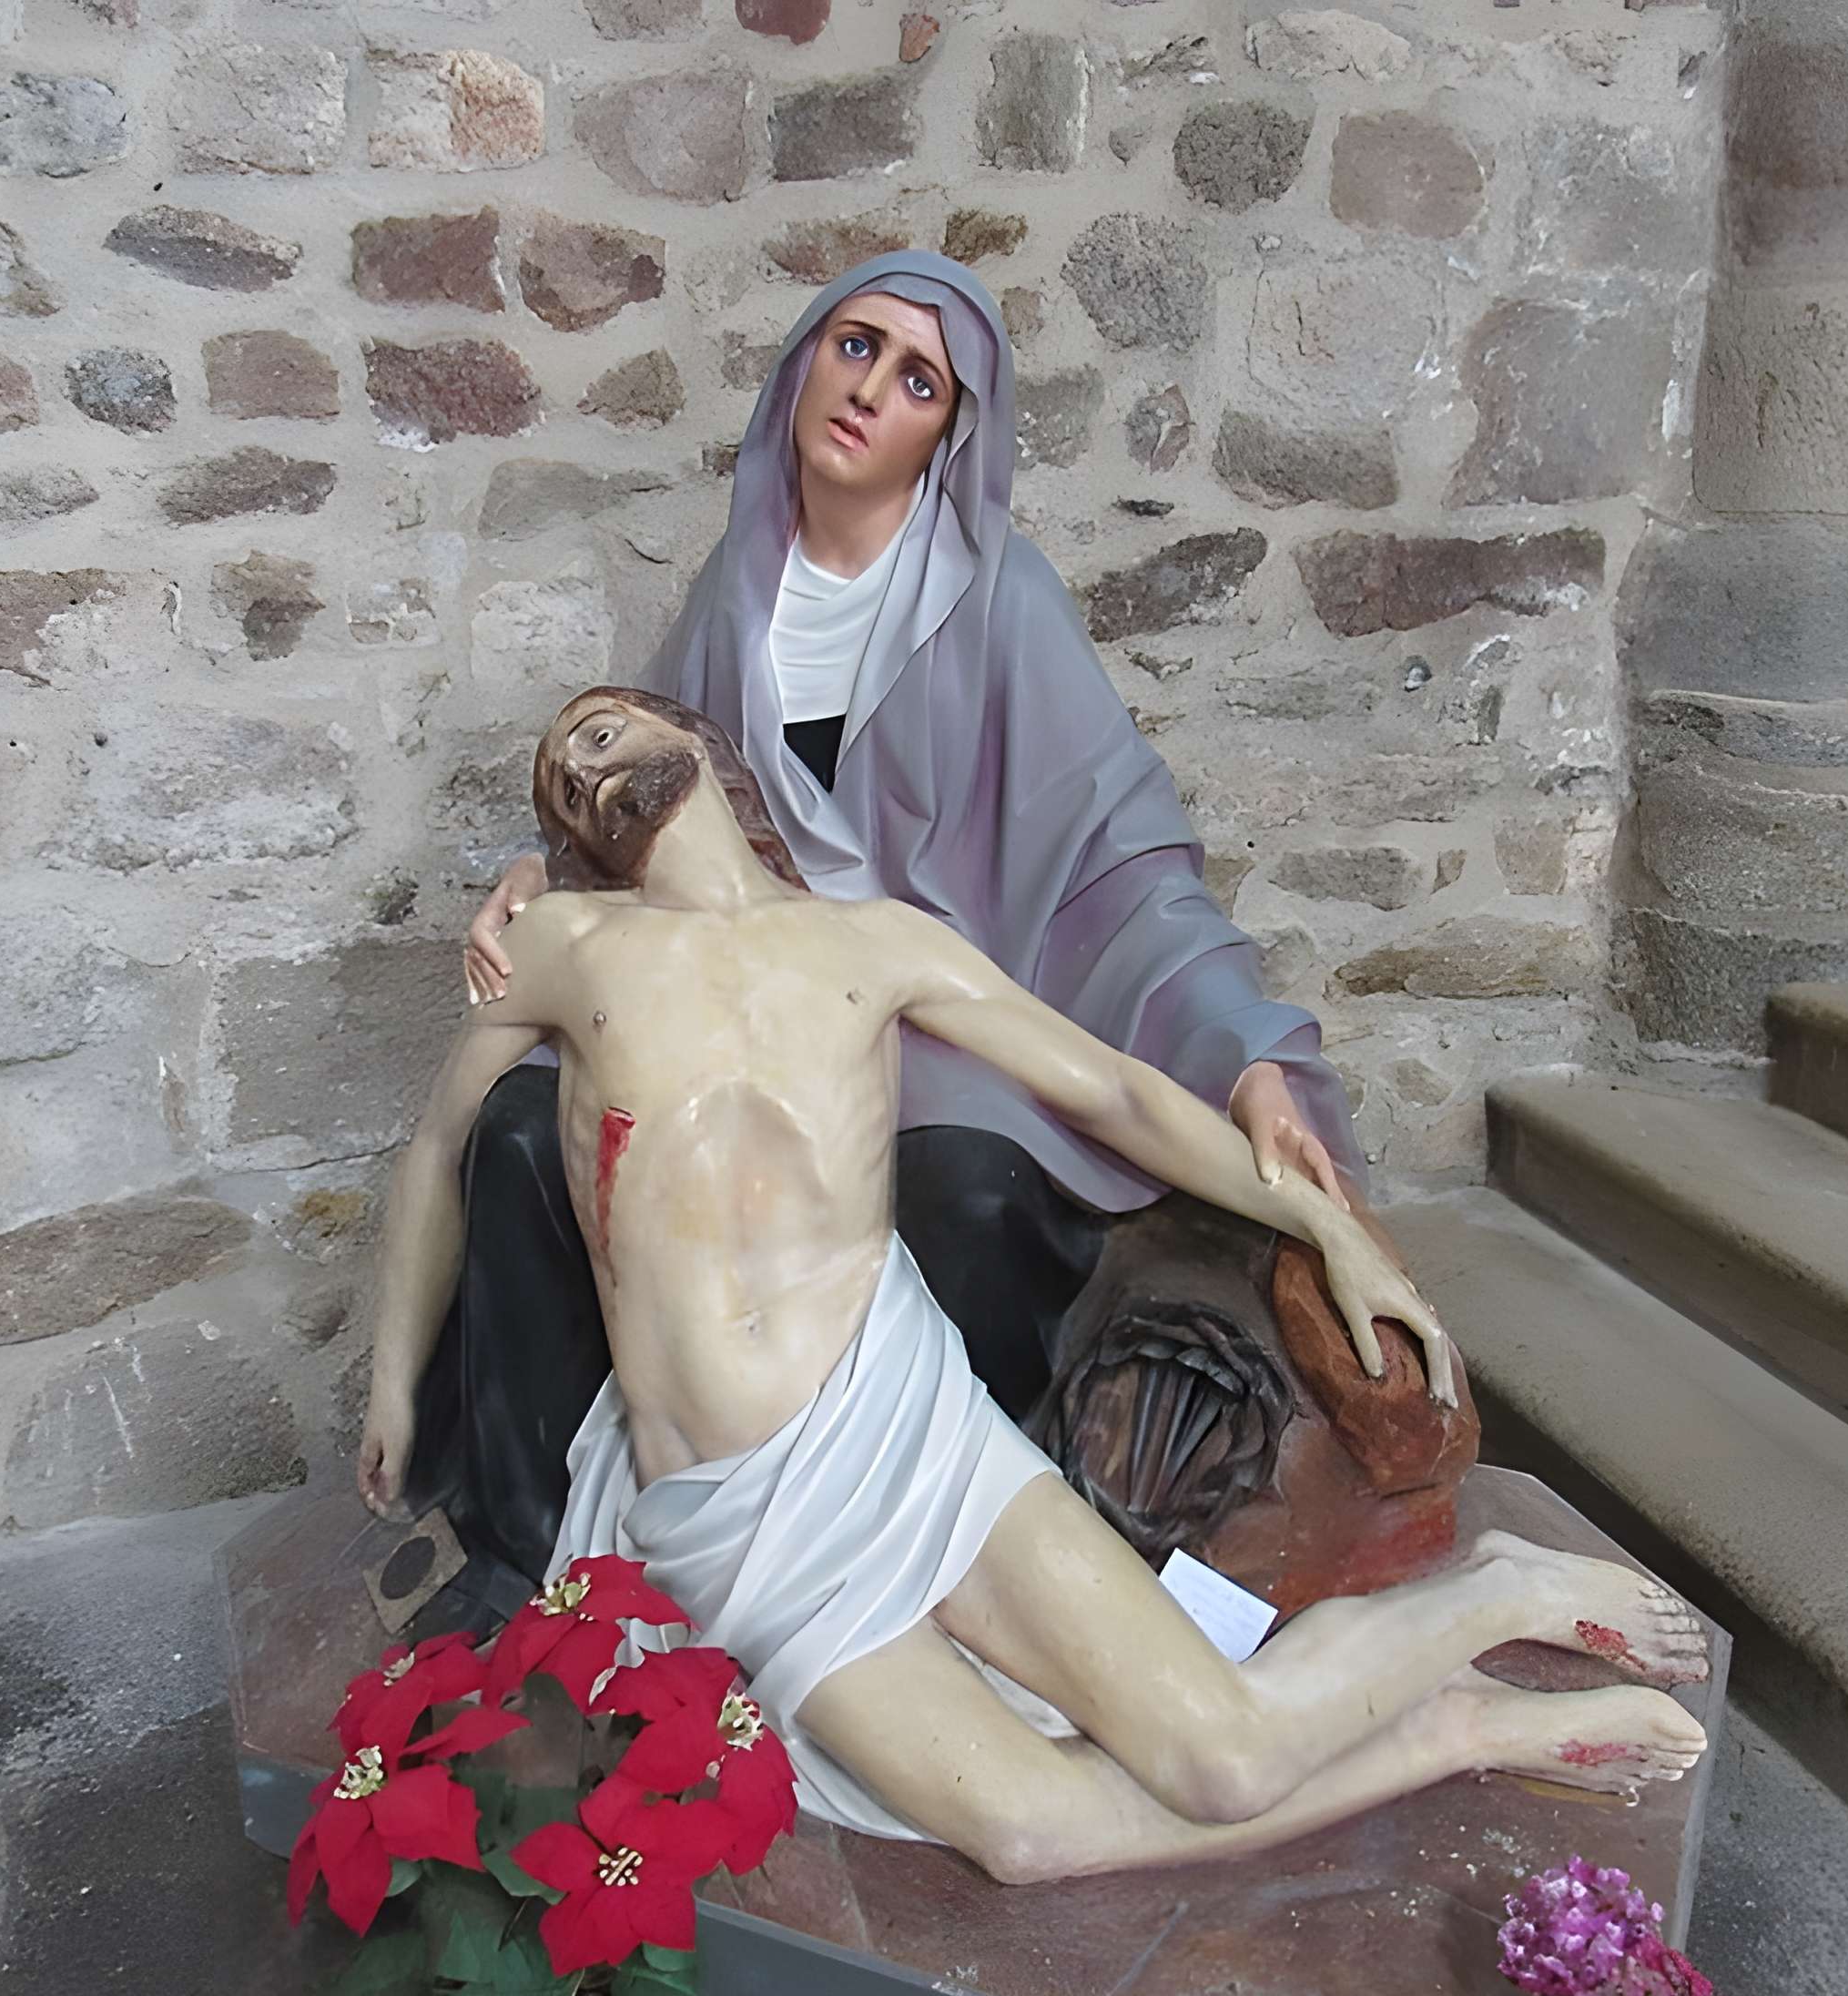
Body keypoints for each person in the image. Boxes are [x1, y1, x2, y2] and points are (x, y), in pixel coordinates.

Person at [357, 690, 1708, 1881]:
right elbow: (436, 1151)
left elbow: (1116, 1091)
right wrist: (394, 1388)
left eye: (599, 734)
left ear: (689, 740)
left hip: (902, 1432)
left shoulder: (876, 944)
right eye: (560, 783)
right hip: (731, 1512)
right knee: (1029, 1836)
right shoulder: (566, 946)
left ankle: (1502, 1591)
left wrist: (1334, 1225)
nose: (585, 775)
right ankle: (1456, 1722)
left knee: (1222, 1759)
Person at [393, 254, 1366, 1613]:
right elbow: (646, 795)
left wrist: (1249, 1054)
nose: (869, 391)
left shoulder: (999, 604)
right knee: (516, 1140)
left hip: (925, 1014)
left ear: (948, 431)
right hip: (725, 994)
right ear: (805, 360)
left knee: (968, 1193)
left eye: (918, 379)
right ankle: (536, 1563)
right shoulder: (737, 589)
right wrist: (528, 872)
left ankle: (873, 1567)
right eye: (856, 346)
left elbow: (1126, 862)